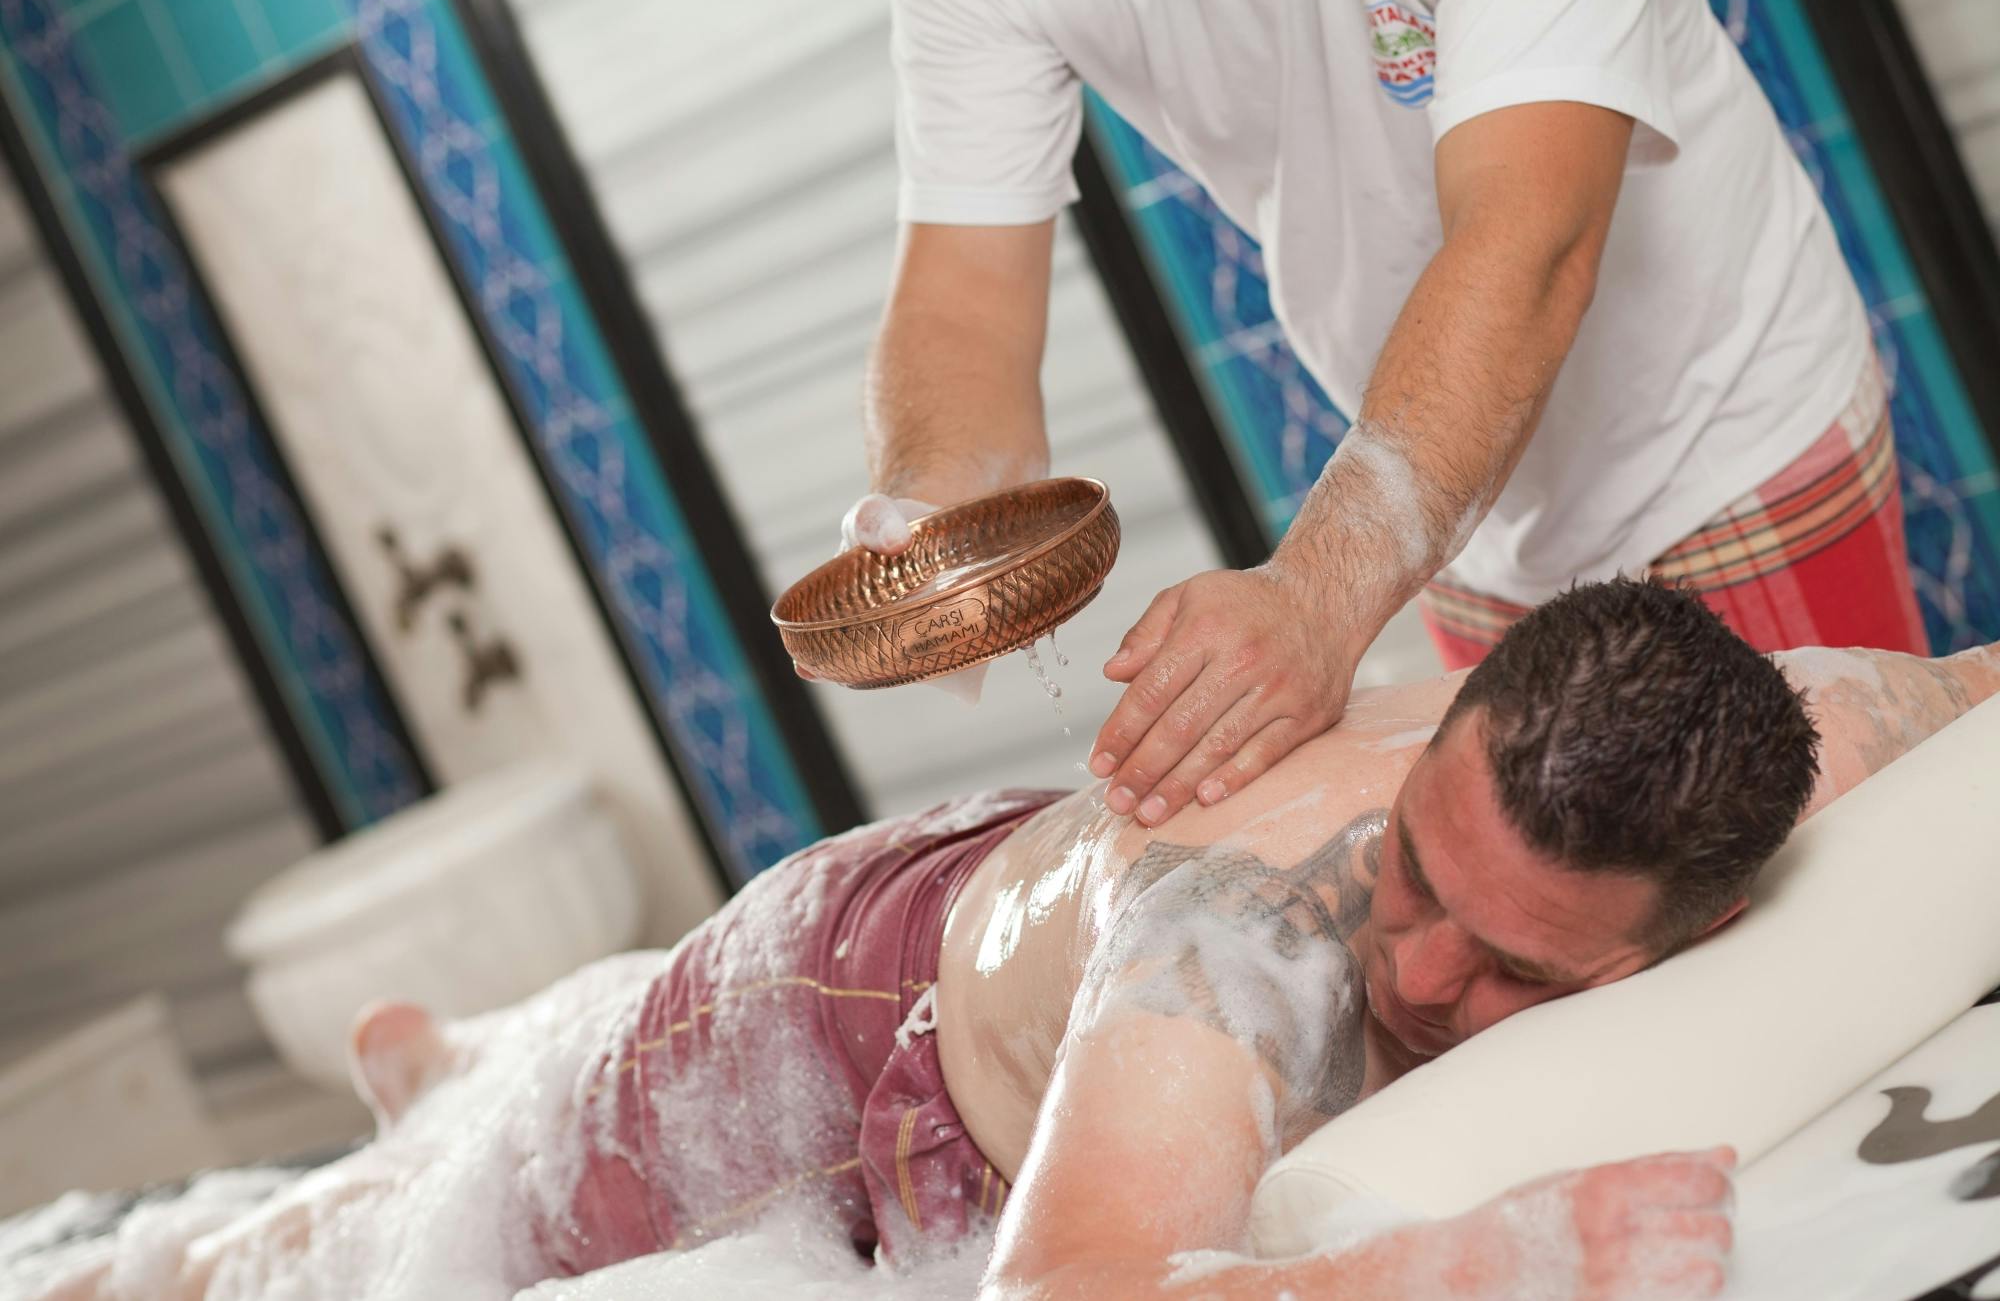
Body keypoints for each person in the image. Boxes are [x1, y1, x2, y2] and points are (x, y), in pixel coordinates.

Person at [44, 582, 1998, 1300]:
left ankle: (465, 1057)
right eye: (1415, 875)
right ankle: (287, 1186)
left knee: (517, 1099)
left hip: (1029, 906)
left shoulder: (1817, 737)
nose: (1415, 977)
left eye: (1514, 974)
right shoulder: (1241, 947)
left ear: (1705, 913)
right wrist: (1488, 1262)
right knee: (331, 1267)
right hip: (833, 1021)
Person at [854, 0, 1929, 833]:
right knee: (1562, 919)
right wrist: (931, 519)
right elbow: (963, 303)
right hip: (1451, 506)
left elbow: (1530, 234)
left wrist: (1318, 597)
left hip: (1717, 428)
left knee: (1842, 882)